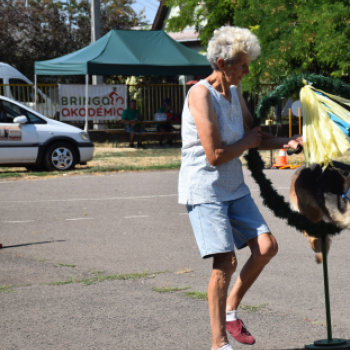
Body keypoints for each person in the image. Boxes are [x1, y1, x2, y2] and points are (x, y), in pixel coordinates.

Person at [178, 26, 302, 350]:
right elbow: (215, 154)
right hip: (205, 190)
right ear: (222, 63)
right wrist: (247, 142)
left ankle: (230, 310)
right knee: (226, 263)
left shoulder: (234, 93)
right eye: (242, 65)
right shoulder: (200, 94)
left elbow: (254, 137)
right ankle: (219, 344)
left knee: (266, 247)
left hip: (234, 188)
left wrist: (290, 142)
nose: (247, 71)